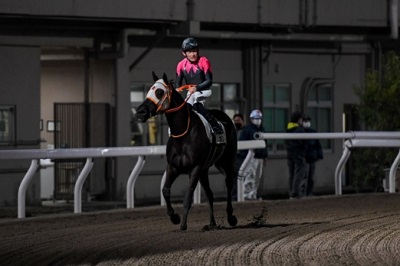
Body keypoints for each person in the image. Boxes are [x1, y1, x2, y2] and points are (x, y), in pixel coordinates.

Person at [175, 37, 223, 134]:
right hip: (191, 92)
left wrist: (196, 87)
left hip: (204, 91)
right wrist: (177, 89)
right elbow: (177, 83)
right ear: (184, 53)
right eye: (190, 52)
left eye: (195, 51)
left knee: (197, 106)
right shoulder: (180, 65)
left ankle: (216, 125)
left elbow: (209, 81)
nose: (193, 54)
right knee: (185, 109)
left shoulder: (204, 61)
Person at [238, 109, 268, 200]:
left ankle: (253, 195)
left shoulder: (262, 129)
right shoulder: (247, 130)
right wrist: (245, 156)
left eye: (259, 118)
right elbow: (242, 143)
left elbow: (265, 144)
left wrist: (265, 156)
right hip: (250, 158)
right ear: (251, 119)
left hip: (260, 158)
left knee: (257, 178)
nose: (258, 120)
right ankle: (246, 196)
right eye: (256, 118)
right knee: (249, 176)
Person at [286, 111, 307, 199]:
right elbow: (304, 143)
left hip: (290, 154)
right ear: (299, 120)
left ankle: (292, 192)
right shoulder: (300, 130)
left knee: (292, 175)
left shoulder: (288, 129)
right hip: (298, 155)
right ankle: (295, 193)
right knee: (299, 174)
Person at [302, 114, 323, 197]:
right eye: (305, 121)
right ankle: (303, 193)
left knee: (311, 177)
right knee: (304, 177)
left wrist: (319, 155)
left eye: (308, 121)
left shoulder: (313, 132)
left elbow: (318, 144)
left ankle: (309, 193)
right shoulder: (301, 132)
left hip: (312, 158)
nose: (307, 123)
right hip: (305, 159)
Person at [232, 113, 245, 200]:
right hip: (234, 157)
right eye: (235, 121)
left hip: (243, 157)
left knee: (242, 176)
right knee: (233, 178)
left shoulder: (246, 131)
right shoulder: (232, 131)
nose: (237, 122)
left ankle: (242, 195)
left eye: (238, 120)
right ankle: (234, 196)